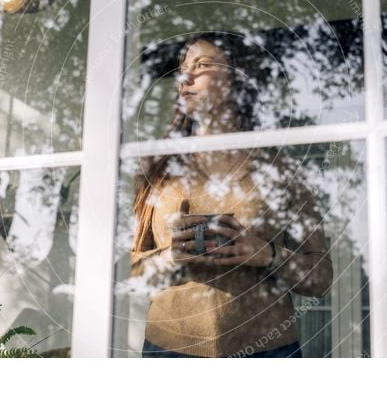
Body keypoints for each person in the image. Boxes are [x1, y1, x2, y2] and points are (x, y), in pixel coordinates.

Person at [129, 31, 333, 358]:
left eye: (203, 65)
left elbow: (321, 279)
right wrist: (169, 257)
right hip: (169, 352)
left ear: (236, 81)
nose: (185, 75)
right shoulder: (156, 171)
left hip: (268, 353)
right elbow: (127, 273)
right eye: (183, 67)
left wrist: (268, 254)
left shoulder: (282, 172)